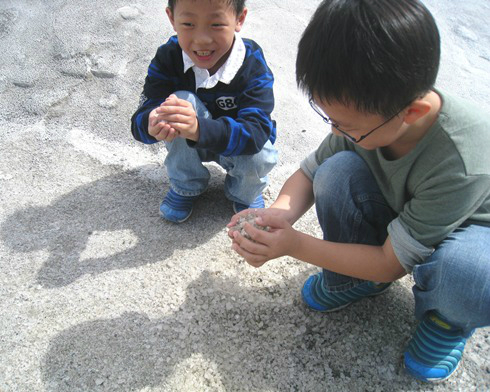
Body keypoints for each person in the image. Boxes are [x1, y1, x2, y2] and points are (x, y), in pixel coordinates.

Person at [228, 0, 490, 383]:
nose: (336, 132)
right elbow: (308, 173)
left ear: (413, 113)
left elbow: (391, 262)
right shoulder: (372, 110)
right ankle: (357, 280)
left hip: (472, 230)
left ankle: (445, 319)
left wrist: (294, 245)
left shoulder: (462, 158)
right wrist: (278, 214)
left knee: (468, 273)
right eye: (330, 119)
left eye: (346, 125)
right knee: (334, 172)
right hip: (408, 209)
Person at [131, 0, 277, 223]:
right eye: (188, 23)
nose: (202, 39)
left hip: (240, 146)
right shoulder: (168, 56)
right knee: (178, 103)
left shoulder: (252, 62)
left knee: (262, 152)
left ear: (239, 19)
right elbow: (140, 117)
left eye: (216, 24)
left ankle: (245, 192)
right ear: (172, 19)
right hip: (190, 146)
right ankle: (186, 184)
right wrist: (151, 123)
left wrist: (198, 129)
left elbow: (256, 132)